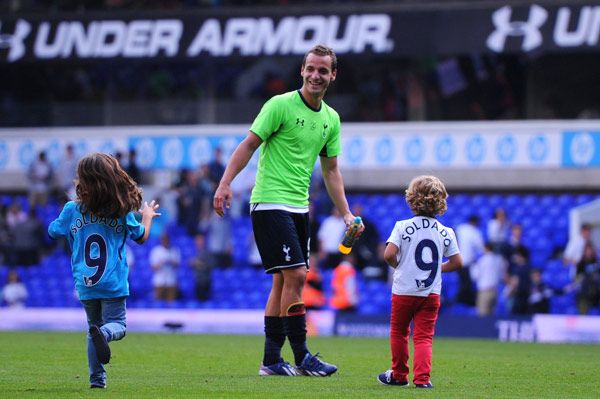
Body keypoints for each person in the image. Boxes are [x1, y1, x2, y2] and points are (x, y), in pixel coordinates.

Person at [213, 44, 362, 377]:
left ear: (332, 75)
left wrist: (347, 213)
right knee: (296, 276)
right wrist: (224, 184)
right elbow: (249, 144)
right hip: (269, 201)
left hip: (299, 208)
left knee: (283, 283)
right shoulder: (279, 105)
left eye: (323, 70)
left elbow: (332, 170)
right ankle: (302, 356)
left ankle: (270, 361)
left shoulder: (331, 119)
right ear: (302, 70)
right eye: (311, 68)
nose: (315, 75)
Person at [47, 153, 160, 389]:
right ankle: (106, 335)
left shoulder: (72, 209)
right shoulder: (121, 210)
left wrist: (67, 219)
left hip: (85, 283)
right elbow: (141, 237)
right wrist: (147, 216)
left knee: (93, 328)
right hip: (113, 282)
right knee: (116, 325)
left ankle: (97, 380)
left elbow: (53, 231)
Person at [377, 175, 462, 389]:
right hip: (431, 293)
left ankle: (398, 375)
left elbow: (388, 254)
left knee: (399, 332)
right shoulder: (446, 232)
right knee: (424, 337)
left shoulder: (402, 226)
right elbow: (458, 262)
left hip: (404, 291)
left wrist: (401, 266)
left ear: (412, 199)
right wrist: (437, 268)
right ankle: (423, 380)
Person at [470, 242, 507, 316]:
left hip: (484, 291)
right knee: (491, 318)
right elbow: (503, 272)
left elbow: (474, 276)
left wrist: (473, 264)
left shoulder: (482, 261)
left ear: (486, 248)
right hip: (495, 291)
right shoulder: (498, 260)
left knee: (482, 317)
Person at [455, 215, 484, 305]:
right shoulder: (475, 232)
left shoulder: (460, 228)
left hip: (457, 260)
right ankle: (463, 301)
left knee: (463, 283)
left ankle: (461, 301)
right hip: (468, 262)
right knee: (467, 284)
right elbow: (481, 248)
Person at [149, 233, 181, 302]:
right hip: (159, 281)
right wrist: (161, 262)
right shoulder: (156, 251)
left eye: (167, 240)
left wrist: (171, 262)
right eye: (164, 240)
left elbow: (178, 265)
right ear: (161, 241)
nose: (165, 242)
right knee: (157, 303)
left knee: (171, 302)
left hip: (171, 281)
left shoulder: (174, 250)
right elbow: (152, 267)